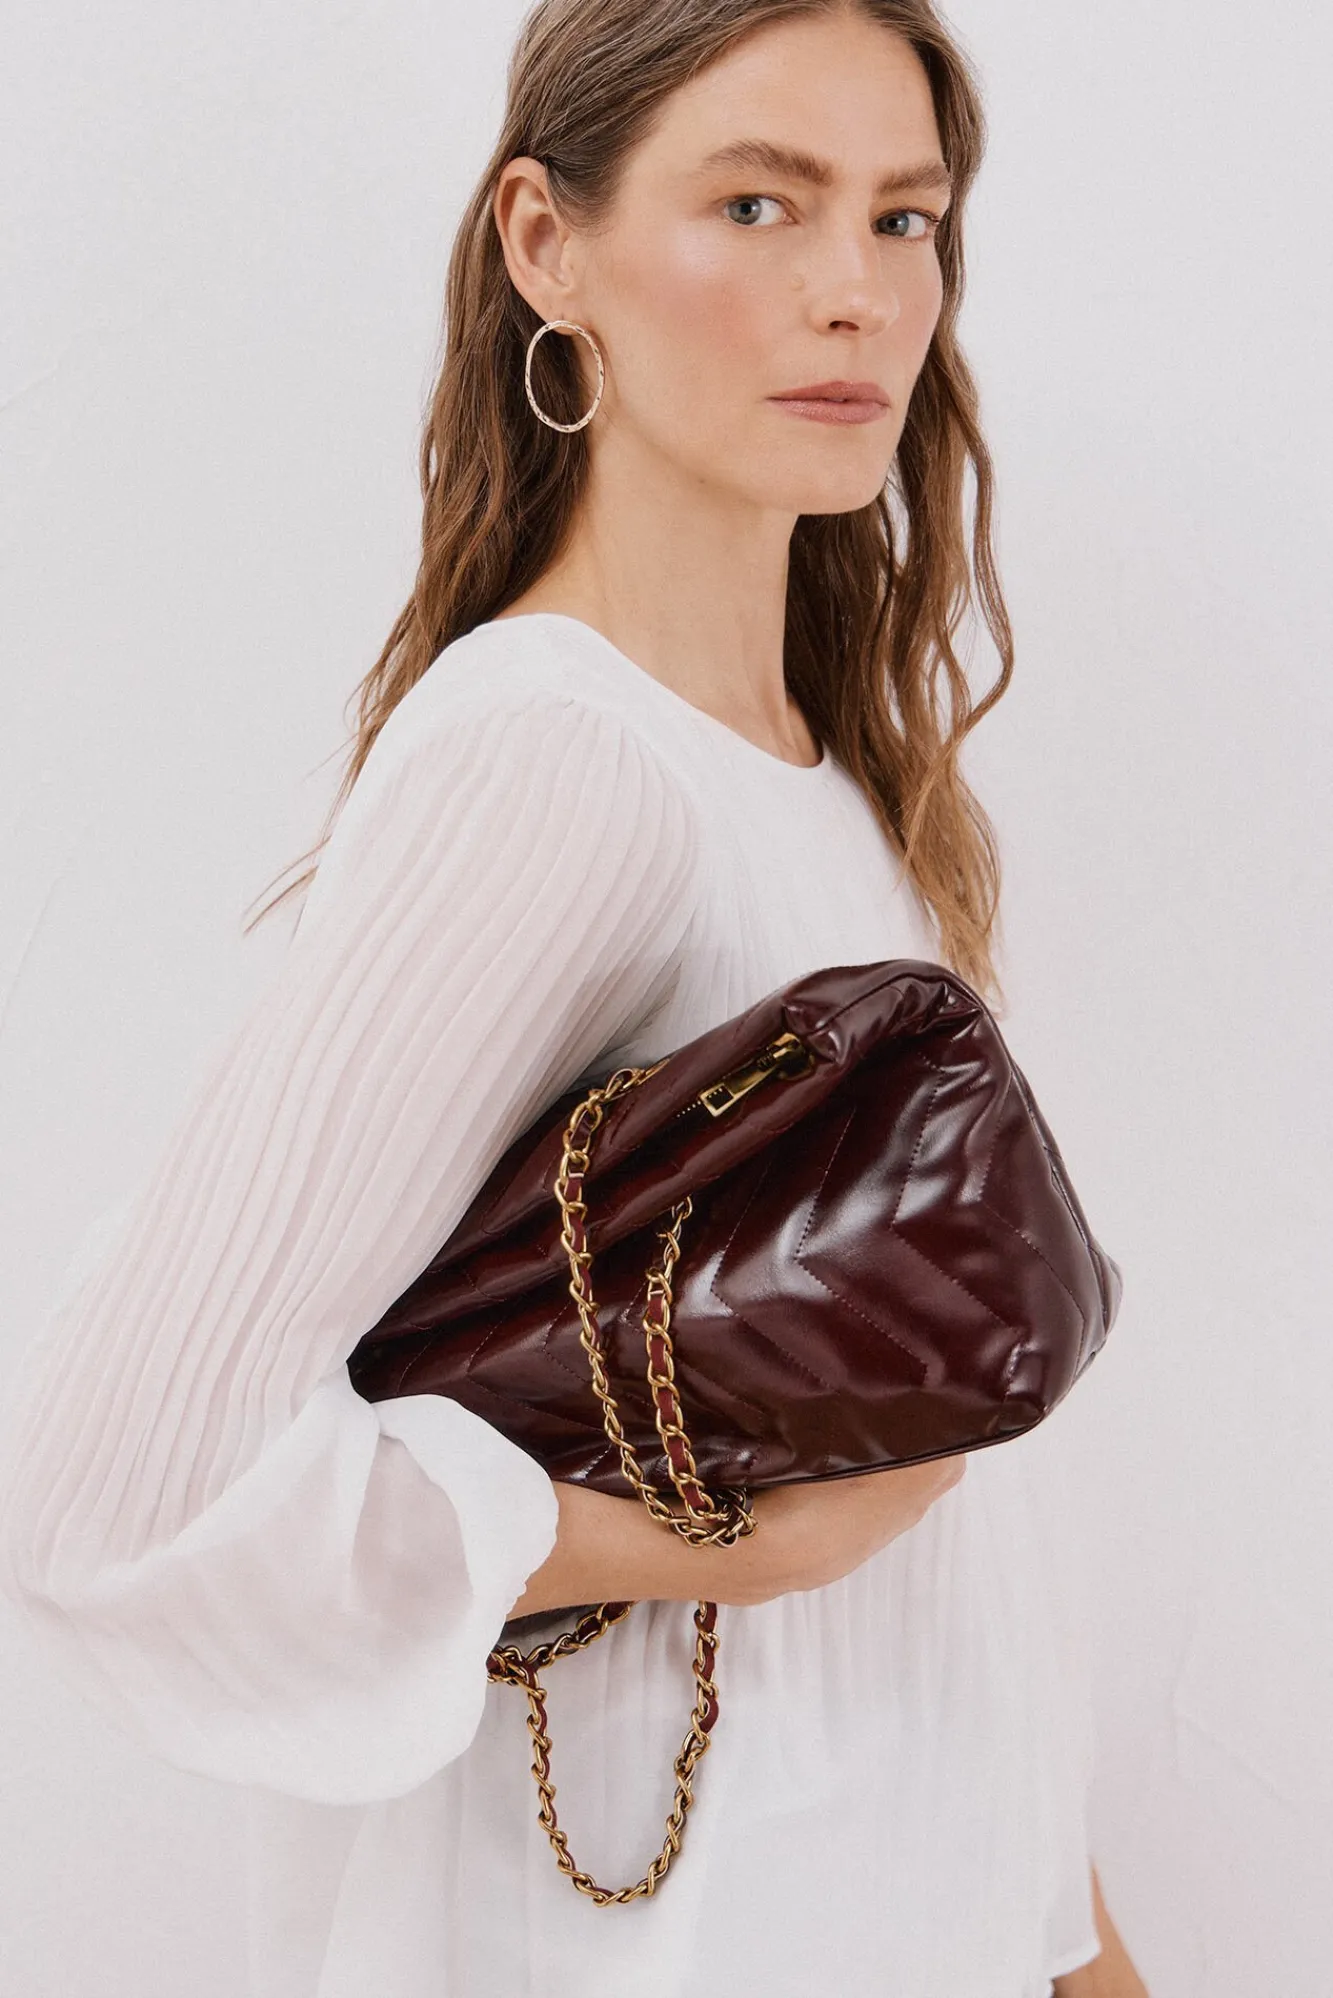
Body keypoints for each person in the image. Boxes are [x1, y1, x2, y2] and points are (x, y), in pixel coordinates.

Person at [0, 3, 1150, 1994]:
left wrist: (1082, 1955)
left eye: (902, 218)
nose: (855, 292)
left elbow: (952, 1569)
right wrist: (726, 1543)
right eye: (759, 204)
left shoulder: (826, 777)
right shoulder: (556, 760)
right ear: (549, 244)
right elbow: (117, 1483)